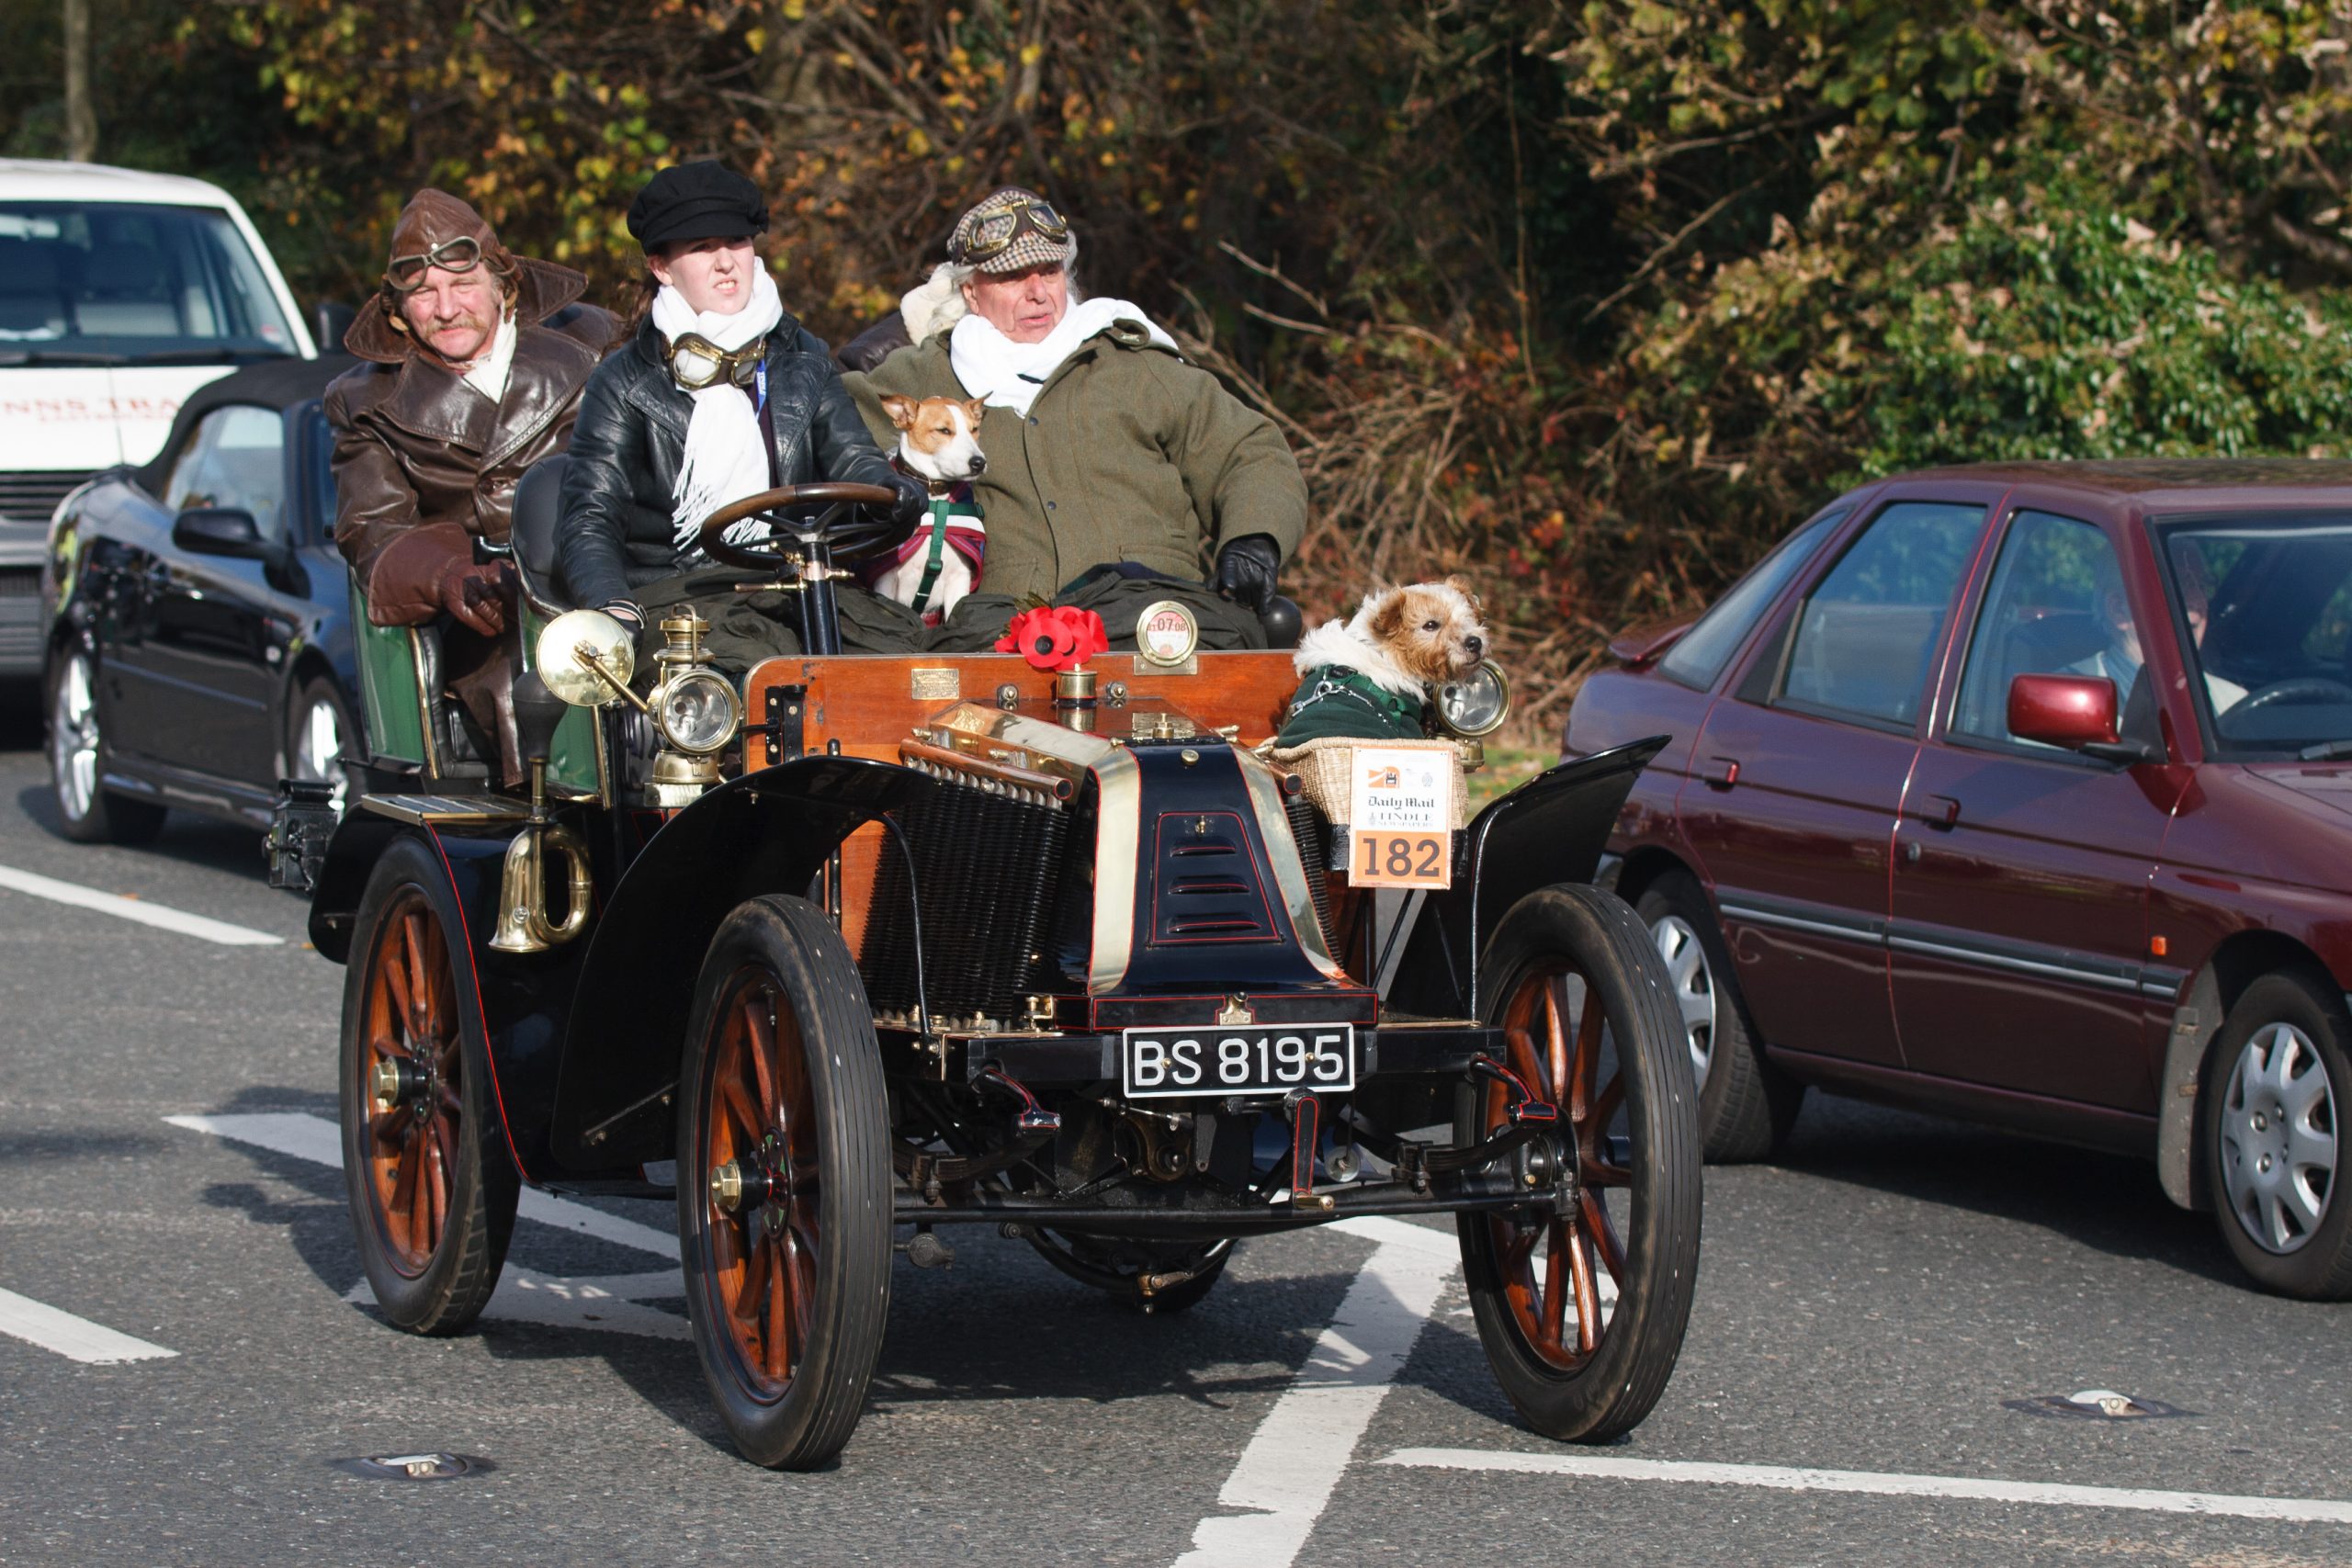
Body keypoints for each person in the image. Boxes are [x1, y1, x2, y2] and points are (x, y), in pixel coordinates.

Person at [842, 187, 1308, 651]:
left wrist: (1254, 539)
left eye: (1050, 271)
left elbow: (1249, 452)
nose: (1038, 294)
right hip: (999, 643)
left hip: (1155, 627)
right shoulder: (924, 374)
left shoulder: (1137, 365)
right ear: (971, 292)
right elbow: (828, 437)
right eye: (1012, 277)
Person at [557, 161, 928, 675]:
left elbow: (855, 461)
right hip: (680, 598)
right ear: (662, 267)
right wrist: (613, 607)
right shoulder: (623, 381)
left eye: (736, 241)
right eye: (702, 248)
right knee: (767, 678)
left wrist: (899, 494)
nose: (725, 262)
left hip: (804, 585)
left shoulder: (803, 357)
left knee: (914, 671)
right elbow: (590, 517)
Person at [327, 188, 616, 785]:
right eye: (424, 293)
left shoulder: (599, 344)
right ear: (398, 311)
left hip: (627, 580)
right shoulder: (366, 405)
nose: (446, 307)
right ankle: (547, 840)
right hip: (498, 618)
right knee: (528, 684)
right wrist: (450, 576)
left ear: (502, 285)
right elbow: (372, 532)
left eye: (461, 285)